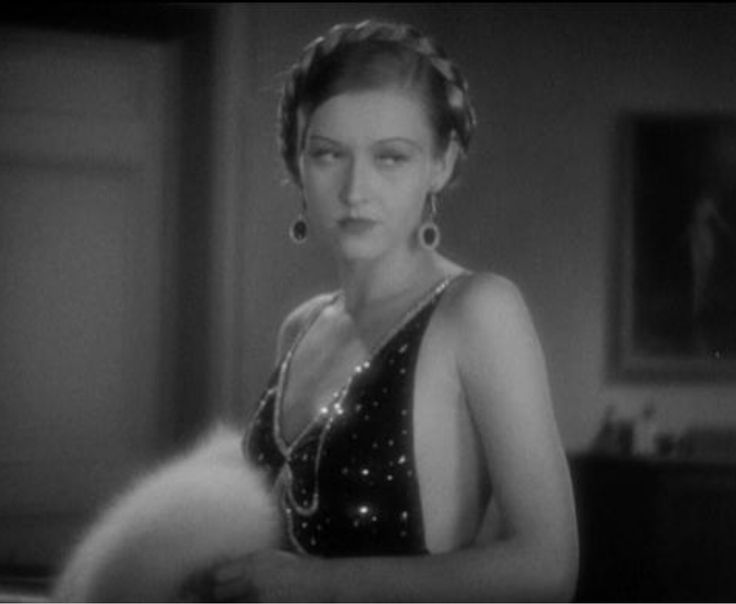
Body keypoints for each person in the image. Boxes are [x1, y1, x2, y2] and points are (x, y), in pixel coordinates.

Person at [207, 19, 578, 602]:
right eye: (328, 154)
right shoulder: (301, 327)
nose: (355, 190)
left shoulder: (477, 311)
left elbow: (548, 568)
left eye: (391, 158)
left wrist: (317, 587)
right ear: (296, 163)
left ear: (441, 164)